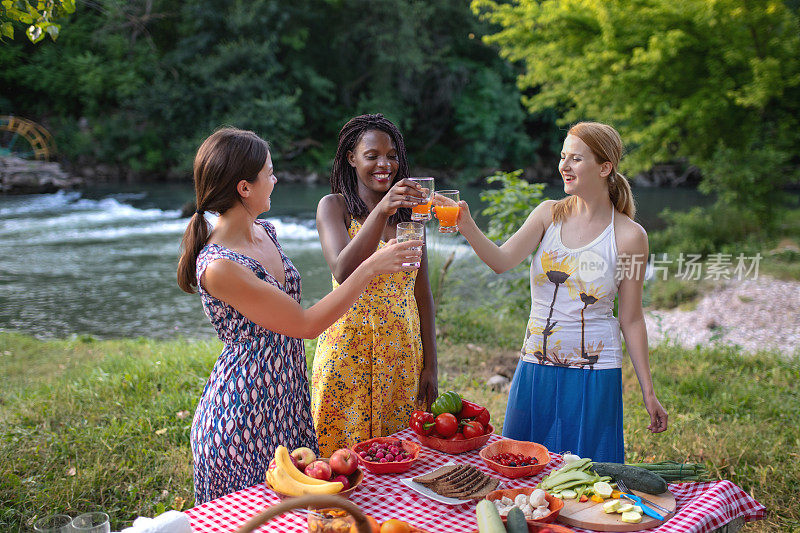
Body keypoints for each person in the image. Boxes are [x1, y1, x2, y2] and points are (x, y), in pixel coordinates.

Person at [176, 127, 422, 504]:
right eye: (269, 173)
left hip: (288, 399)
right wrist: (371, 268)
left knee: (302, 515)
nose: (275, 181)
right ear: (244, 187)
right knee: (252, 522)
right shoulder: (219, 266)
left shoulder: (265, 231)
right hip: (244, 412)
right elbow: (306, 325)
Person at [456, 122, 668, 462]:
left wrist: (648, 392)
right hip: (536, 361)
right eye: (562, 156)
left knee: (587, 479)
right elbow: (501, 260)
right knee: (520, 468)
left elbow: (631, 318)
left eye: (576, 159)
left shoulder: (630, 237)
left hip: (594, 374)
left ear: (604, 167)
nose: (564, 166)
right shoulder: (547, 216)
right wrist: (466, 225)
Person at [312, 114, 438, 456]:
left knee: (396, 457)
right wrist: (382, 209)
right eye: (373, 156)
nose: (385, 164)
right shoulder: (333, 206)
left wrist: (431, 365)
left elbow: (422, 294)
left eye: (392, 155)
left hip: (402, 353)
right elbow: (343, 268)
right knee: (341, 458)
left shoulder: (412, 216)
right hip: (348, 351)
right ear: (352, 159)